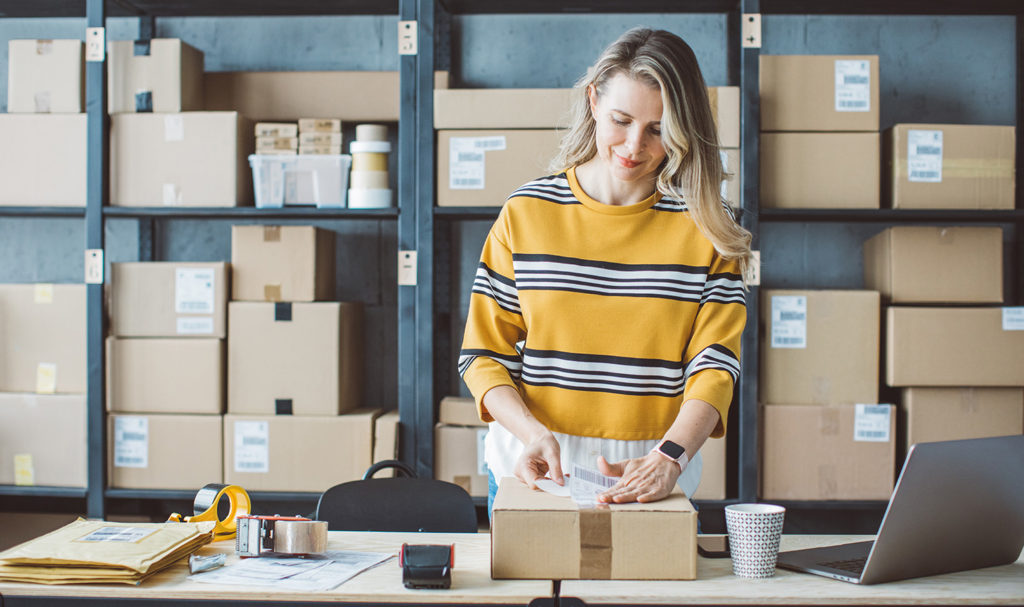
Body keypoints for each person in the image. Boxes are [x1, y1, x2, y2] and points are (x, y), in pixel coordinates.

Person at [459, 27, 752, 516]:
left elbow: (716, 366)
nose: (634, 146)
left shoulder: (707, 226)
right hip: (534, 472)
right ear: (593, 101)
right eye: (621, 120)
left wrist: (670, 456)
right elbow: (482, 354)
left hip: (651, 474)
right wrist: (532, 434)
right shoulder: (527, 212)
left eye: (658, 130)